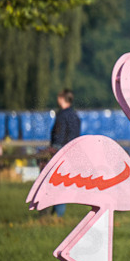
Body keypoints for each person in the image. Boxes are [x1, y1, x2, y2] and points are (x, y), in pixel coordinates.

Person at [49, 89, 81, 217]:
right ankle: (56, 213)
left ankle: (57, 214)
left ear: (62, 99)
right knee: (61, 183)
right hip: (71, 151)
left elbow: (59, 135)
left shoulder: (62, 115)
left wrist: (54, 149)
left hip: (60, 151)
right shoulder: (75, 115)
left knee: (57, 183)